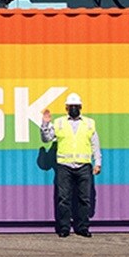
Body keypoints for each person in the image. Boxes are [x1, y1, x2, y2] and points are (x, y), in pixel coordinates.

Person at [41, 93, 102, 238]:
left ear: (80, 107)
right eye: (71, 106)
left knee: (84, 198)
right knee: (64, 198)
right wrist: (45, 124)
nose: (73, 108)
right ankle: (64, 228)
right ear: (66, 108)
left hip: (84, 166)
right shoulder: (59, 123)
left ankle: (82, 228)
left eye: (76, 106)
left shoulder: (89, 123)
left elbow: (95, 144)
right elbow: (46, 139)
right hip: (64, 166)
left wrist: (98, 162)